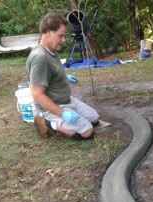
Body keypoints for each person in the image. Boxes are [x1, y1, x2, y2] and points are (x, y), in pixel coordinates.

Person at [26, 12, 99, 140]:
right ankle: (48, 121)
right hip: (53, 106)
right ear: (48, 32)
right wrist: (62, 114)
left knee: (95, 119)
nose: (63, 40)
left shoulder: (51, 50)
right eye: (60, 36)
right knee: (87, 133)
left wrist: (65, 77)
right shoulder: (40, 58)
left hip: (66, 100)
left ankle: (66, 117)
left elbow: (51, 73)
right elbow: (37, 94)